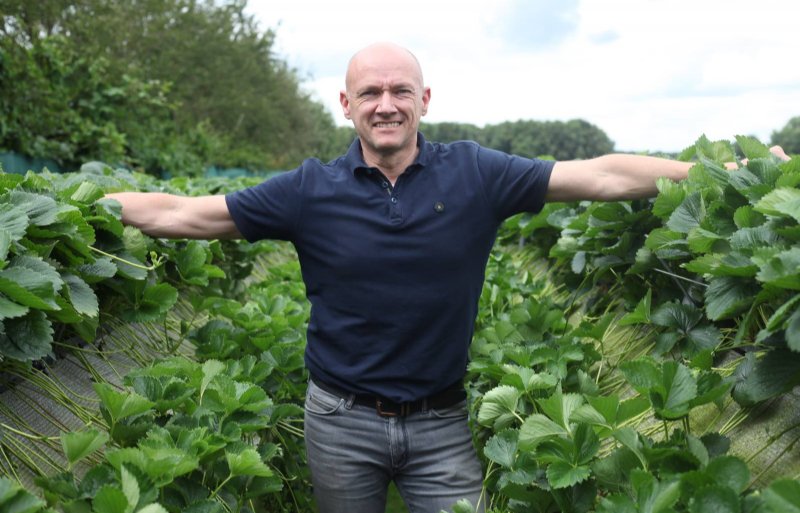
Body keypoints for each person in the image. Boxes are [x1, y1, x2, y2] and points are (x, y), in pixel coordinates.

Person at [106, 42, 790, 513]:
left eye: (399, 90)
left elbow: (604, 174)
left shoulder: (476, 173)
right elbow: (184, 214)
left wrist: (716, 172)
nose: (385, 103)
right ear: (345, 104)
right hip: (340, 419)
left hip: (441, 421)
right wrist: (92, 209)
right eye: (369, 92)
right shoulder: (308, 191)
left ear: (423, 98)